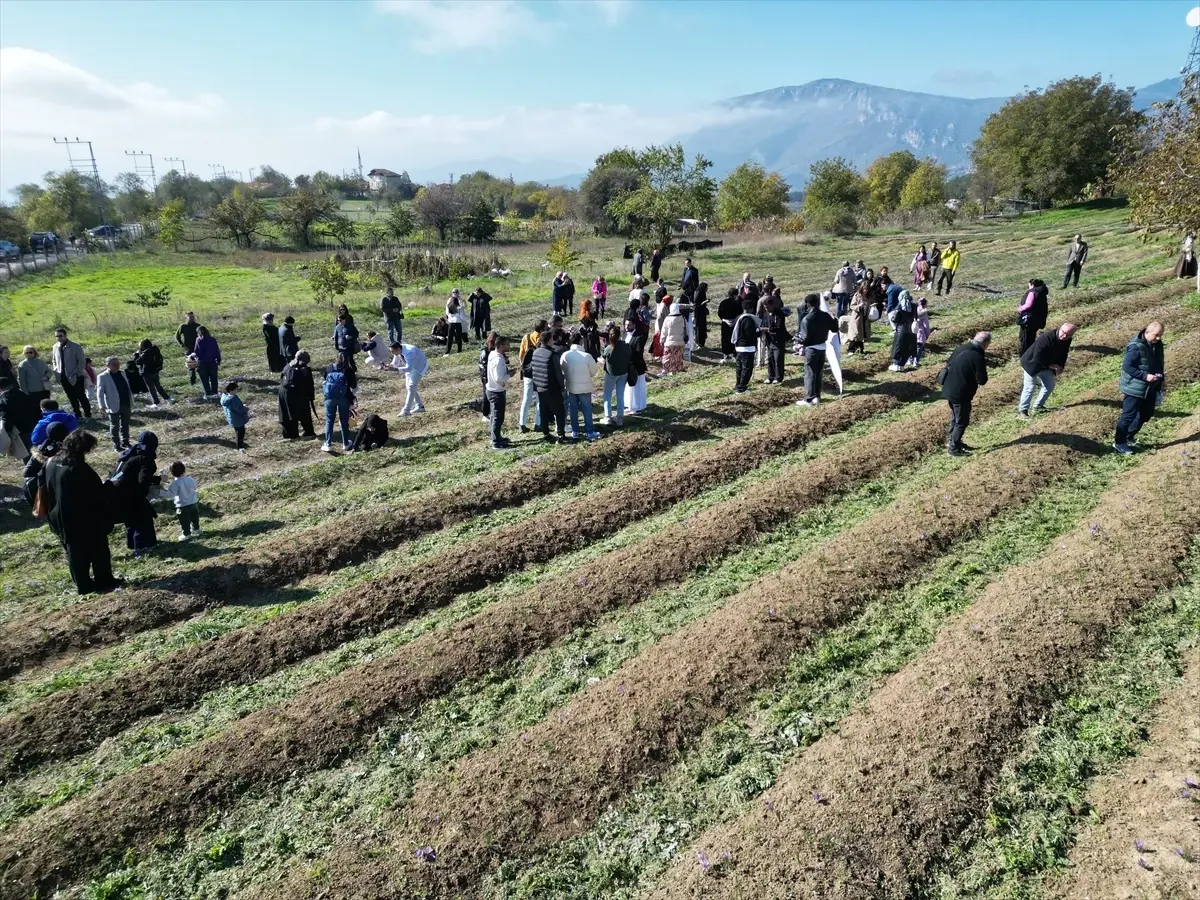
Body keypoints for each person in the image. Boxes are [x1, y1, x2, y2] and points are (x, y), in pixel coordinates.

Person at [43, 430, 118, 594]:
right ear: (82, 449)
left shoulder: (51, 462)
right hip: (83, 518)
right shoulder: (78, 468)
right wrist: (111, 485)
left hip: (58, 515)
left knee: (74, 552)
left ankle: (83, 585)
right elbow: (97, 494)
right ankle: (103, 581)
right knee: (98, 549)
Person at [1112, 321, 1165, 454]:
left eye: (1160, 335)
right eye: (1156, 335)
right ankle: (1119, 442)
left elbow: (1159, 362)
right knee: (1128, 416)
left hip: (1151, 387)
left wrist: (1160, 379)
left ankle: (1129, 436)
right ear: (1147, 332)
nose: (1158, 338)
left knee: (1146, 413)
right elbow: (1127, 367)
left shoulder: (1157, 344)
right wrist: (1144, 376)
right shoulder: (1136, 347)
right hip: (1135, 387)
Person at [941, 331, 991, 457]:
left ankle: (952, 441)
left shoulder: (960, 348)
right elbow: (982, 380)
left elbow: (949, 362)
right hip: (961, 393)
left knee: (955, 417)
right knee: (962, 421)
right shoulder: (977, 356)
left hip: (949, 388)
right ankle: (953, 449)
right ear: (985, 344)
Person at [110, 429, 160, 556]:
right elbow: (143, 481)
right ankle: (142, 549)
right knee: (142, 519)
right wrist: (144, 492)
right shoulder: (145, 459)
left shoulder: (128, 454)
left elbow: (123, 474)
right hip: (129, 493)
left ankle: (133, 545)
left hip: (115, 490)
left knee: (131, 520)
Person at [1018, 322, 1076, 418]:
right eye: (1063, 332)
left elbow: (1063, 353)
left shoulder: (1067, 340)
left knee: (1049, 385)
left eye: (1068, 334)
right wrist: (1052, 366)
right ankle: (1023, 411)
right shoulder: (1046, 338)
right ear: (1059, 328)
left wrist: (1061, 366)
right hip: (1032, 364)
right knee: (1029, 387)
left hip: (1047, 366)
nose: (1064, 336)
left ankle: (1038, 406)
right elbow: (1037, 356)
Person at [795, 293, 838, 404]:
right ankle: (817, 396)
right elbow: (834, 329)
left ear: (807, 304)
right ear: (818, 303)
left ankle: (809, 398)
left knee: (809, 373)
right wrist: (834, 319)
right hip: (822, 348)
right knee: (819, 373)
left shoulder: (806, 319)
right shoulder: (825, 315)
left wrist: (798, 340)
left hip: (812, 349)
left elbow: (805, 338)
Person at [562, 331, 599, 441]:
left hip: (571, 386)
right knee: (586, 408)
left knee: (573, 409)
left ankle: (575, 431)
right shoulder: (586, 356)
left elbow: (562, 370)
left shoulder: (565, 355)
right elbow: (593, 372)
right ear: (581, 341)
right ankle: (590, 431)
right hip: (584, 387)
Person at [531, 330, 566, 442]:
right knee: (559, 411)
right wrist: (562, 386)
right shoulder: (552, 355)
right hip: (552, 387)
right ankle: (561, 435)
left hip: (540, 387)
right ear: (550, 340)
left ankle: (546, 434)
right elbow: (558, 374)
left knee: (544, 411)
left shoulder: (535, 352)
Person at [22, 420, 68, 507]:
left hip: (32, 487)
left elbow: (26, 472)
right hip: (40, 489)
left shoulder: (44, 446)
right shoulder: (60, 449)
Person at [51, 327, 91, 418]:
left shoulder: (75, 346)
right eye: (56, 336)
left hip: (75, 376)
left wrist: (78, 373)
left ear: (65, 335)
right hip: (63, 377)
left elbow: (81, 362)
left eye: (60, 336)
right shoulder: (55, 347)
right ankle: (77, 415)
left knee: (81, 396)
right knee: (71, 397)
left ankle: (88, 414)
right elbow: (54, 360)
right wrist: (56, 370)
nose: (58, 338)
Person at [96, 356, 133, 451]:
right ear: (107, 365)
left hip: (125, 403)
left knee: (125, 424)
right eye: (114, 364)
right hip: (112, 405)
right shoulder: (102, 377)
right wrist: (102, 406)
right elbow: (99, 393)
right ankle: (116, 445)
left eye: (118, 364)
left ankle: (126, 442)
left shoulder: (122, 373)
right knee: (114, 425)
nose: (117, 366)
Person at [517, 320, 548, 433]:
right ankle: (538, 424)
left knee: (526, 398)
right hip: (540, 372)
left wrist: (525, 367)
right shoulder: (544, 339)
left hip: (528, 374)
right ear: (541, 329)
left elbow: (521, 355)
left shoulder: (527, 337)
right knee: (540, 399)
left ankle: (522, 424)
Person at [278, 351, 316, 439]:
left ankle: (291, 434)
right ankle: (308, 432)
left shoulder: (287, 366)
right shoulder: (303, 370)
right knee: (304, 413)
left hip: (283, 393)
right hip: (297, 394)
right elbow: (309, 384)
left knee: (288, 415)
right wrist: (311, 396)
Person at [0, 377, 38, 460]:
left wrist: (6, 432)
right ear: (12, 385)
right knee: (40, 454)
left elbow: (7, 419)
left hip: (21, 432)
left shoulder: (3, 402)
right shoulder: (25, 395)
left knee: (29, 458)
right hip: (36, 428)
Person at [600, 324, 631, 426]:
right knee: (620, 395)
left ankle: (607, 417)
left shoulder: (609, 348)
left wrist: (597, 359)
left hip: (611, 374)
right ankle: (620, 418)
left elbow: (603, 359)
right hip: (623, 373)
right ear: (619, 335)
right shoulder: (625, 346)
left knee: (607, 395)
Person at [321, 358, 354, 453]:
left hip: (329, 398)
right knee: (344, 421)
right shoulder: (348, 370)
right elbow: (353, 385)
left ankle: (328, 444)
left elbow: (324, 380)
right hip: (343, 398)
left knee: (329, 420)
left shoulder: (329, 367)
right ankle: (346, 443)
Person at [486, 334, 512, 449]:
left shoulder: (493, 355)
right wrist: (509, 374)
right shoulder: (498, 360)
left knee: (494, 416)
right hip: (497, 391)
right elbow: (498, 378)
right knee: (498, 417)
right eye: (507, 344)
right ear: (501, 345)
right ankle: (496, 442)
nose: (509, 346)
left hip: (492, 390)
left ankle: (496, 436)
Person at [163, 460, 200, 540]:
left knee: (184, 521)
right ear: (184, 470)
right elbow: (195, 486)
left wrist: (160, 492)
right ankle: (196, 529)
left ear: (172, 473)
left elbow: (170, 494)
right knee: (194, 517)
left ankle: (186, 534)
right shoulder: (189, 479)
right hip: (193, 502)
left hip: (182, 506)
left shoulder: (175, 483)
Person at [390, 340, 429, 416]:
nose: (392, 353)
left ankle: (406, 410)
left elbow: (409, 368)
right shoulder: (398, 351)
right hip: (410, 367)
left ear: (398, 349)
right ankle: (419, 406)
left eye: (392, 351)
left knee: (411, 387)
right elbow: (395, 364)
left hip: (419, 367)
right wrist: (388, 366)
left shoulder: (409, 352)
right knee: (409, 387)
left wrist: (395, 369)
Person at [762, 294, 791, 385]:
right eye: (765, 307)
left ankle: (778, 377)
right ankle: (770, 376)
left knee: (778, 359)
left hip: (778, 340)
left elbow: (779, 328)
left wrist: (767, 329)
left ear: (772, 305)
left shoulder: (779, 314)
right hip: (770, 341)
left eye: (768, 307)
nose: (766, 309)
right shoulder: (766, 315)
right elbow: (763, 324)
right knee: (770, 359)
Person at [731, 303, 760, 395]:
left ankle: (738, 385)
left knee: (739, 368)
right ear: (751, 308)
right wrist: (759, 332)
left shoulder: (738, 318)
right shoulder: (748, 319)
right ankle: (741, 388)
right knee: (747, 369)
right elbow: (750, 335)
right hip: (747, 347)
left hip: (738, 347)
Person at [133, 338, 172, 407]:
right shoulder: (155, 349)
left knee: (151, 388)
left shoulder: (146, 353)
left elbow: (137, 362)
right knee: (158, 386)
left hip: (147, 373)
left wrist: (136, 355)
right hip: (155, 371)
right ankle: (167, 398)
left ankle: (156, 402)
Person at [1017, 278, 1049, 356]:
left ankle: (1025, 355)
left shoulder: (1033, 292)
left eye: (1029, 285)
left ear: (1032, 284)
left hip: (1028, 319)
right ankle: (1030, 351)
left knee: (1025, 338)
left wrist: (1020, 309)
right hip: (1037, 319)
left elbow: (1028, 305)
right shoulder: (1042, 292)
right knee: (1031, 336)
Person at [888, 289, 918, 371]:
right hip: (911, 330)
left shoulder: (900, 306)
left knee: (898, 347)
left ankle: (896, 364)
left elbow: (894, 319)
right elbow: (916, 317)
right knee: (907, 348)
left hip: (902, 329)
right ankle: (902, 365)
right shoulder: (914, 306)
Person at [623, 319, 648, 415]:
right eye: (626, 325)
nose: (627, 327)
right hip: (627, 367)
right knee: (629, 388)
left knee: (637, 388)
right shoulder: (625, 336)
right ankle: (630, 406)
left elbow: (639, 353)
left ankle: (638, 407)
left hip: (637, 367)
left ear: (634, 325)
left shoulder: (638, 337)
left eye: (629, 325)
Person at [660, 297, 687, 376]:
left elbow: (664, 331)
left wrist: (662, 340)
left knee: (667, 358)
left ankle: (665, 371)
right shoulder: (682, 318)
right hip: (680, 342)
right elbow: (687, 330)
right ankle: (675, 371)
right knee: (677, 358)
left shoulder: (668, 319)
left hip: (669, 343)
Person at [193, 326, 221, 399]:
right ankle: (215, 393)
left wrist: (194, 358)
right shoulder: (212, 339)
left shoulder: (198, 340)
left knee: (204, 380)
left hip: (202, 363)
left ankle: (208, 394)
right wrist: (218, 359)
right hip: (212, 362)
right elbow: (217, 350)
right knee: (214, 379)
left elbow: (197, 352)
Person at [220, 381, 250, 451]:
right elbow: (239, 409)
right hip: (238, 419)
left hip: (232, 419)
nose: (237, 391)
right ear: (232, 390)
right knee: (241, 432)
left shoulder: (225, 397)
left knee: (237, 431)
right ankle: (240, 446)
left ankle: (239, 444)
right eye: (236, 389)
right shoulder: (233, 399)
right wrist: (246, 408)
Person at [175, 311, 201, 386]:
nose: (192, 318)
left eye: (193, 317)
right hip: (189, 349)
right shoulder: (183, 326)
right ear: (186, 317)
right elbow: (177, 337)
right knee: (191, 366)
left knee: (200, 365)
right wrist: (183, 346)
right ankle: (192, 382)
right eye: (190, 317)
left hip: (198, 348)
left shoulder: (198, 326)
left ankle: (203, 380)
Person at [845, 282, 870, 356]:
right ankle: (851, 350)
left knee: (861, 334)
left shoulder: (868, 296)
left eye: (867, 289)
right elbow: (852, 306)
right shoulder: (857, 295)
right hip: (857, 317)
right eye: (864, 289)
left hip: (864, 317)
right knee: (855, 334)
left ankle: (860, 349)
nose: (865, 290)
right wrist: (859, 306)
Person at [718, 287, 742, 363]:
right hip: (735, 322)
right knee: (734, 338)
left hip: (725, 322)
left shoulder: (723, 302)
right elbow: (740, 312)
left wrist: (723, 318)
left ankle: (725, 354)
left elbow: (719, 313)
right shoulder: (737, 303)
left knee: (725, 338)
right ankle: (734, 354)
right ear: (735, 295)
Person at [444, 289, 467, 353]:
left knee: (459, 337)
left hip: (458, 321)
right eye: (454, 292)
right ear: (452, 293)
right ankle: (447, 352)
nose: (455, 293)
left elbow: (464, 306)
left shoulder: (460, 300)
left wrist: (463, 301)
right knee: (450, 337)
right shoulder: (449, 299)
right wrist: (447, 317)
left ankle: (459, 351)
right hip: (451, 321)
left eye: (456, 292)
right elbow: (447, 309)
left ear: (458, 293)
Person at [914, 298, 932, 364]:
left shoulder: (914, 310)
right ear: (925, 304)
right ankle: (916, 361)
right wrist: (928, 334)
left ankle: (910, 360)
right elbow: (926, 325)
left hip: (913, 331)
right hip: (920, 332)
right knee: (919, 347)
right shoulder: (924, 312)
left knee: (912, 346)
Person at [693, 282, 709, 349]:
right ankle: (699, 342)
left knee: (703, 327)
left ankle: (702, 343)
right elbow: (697, 305)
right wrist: (705, 302)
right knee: (699, 328)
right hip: (699, 313)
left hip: (702, 313)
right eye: (706, 288)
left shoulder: (702, 292)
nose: (707, 289)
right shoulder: (698, 293)